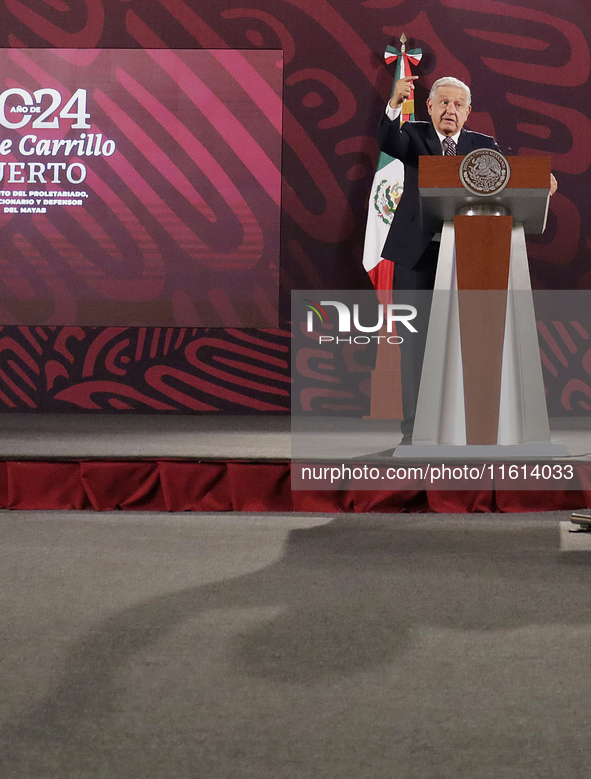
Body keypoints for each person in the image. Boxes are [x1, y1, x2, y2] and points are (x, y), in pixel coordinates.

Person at [377, 76, 556, 445]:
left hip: (474, 258)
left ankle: (471, 424)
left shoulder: (483, 146)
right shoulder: (414, 137)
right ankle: (415, 431)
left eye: (458, 105)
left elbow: (511, 182)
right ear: (429, 107)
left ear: (468, 112)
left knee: (476, 341)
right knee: (415, 346)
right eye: (443, 103)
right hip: (419, 257)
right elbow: (388, 141)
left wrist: (542, 181)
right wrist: (394, 104)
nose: (450, 111)